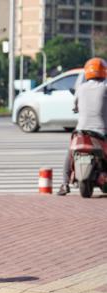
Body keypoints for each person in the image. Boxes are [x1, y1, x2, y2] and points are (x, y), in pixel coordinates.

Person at [58, 57, 107, 196]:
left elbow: (75, 107)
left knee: (71, 153)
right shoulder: (105, 87)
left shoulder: (81, 88)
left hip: (81, 131)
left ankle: (64, 184)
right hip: (101, 132)